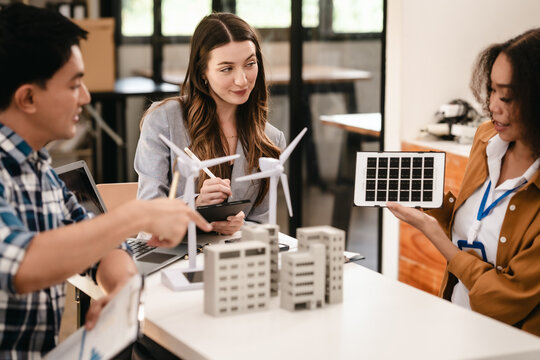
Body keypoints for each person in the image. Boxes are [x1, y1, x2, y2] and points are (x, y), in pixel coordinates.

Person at [0, 4, 211, 357]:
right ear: (28, 97)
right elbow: (21, 265)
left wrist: (121, 289)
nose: (86, 97)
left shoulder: (42, 173)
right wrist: (136, 215)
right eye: (74, 84)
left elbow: (105, 245)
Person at [387, 28, 540, 336]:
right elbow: (473, 230)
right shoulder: (486, 137)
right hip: (456, 325)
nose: (493, 106)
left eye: (506, 96)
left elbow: (503, 299)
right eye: (492, 90)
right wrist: (436, 205)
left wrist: (433, 234)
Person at [134, 13, 286, 235]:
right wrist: (196, 206)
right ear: (202, 72)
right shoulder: (163, 121)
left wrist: (239, 227)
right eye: (227, 68)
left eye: (250, 64)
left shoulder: (270, 139)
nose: (242, 80)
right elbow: (148, 213)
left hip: (233, 259)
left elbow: (263, 224)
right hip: (171, 256)